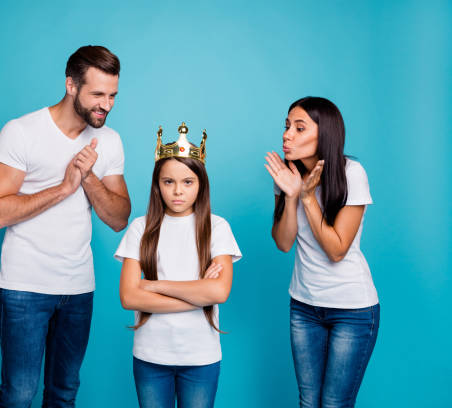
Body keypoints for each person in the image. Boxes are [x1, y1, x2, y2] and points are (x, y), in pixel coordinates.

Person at [0, 45, 131, 408]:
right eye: (97, 94)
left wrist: (88, 177)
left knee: (64, 394)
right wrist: (64, 187)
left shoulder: (108, 141)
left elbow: (118, 219)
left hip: (79, 288)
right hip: (25, 288)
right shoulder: (21, 131)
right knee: (19, 395)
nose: (106, 105)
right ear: (71, 85)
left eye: (112, 95)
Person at [115, 123, 241, 408]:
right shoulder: (140, 228)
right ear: (157, 185)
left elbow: (219, 293)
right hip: (150, 355)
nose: (177, 191)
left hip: (200, 356)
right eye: (168, 181)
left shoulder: (216, 227)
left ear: (201, 184)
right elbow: (129, 297)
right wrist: (198, 294)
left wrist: (154, 285)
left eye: (188, 182)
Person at [264, 97, 379, 408]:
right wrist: (290, 194)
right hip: (303, 307)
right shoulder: (287, 175)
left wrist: (308, 198)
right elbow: (284, 242)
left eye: (299, 128)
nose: (287, 135)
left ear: (325, 134)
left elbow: (337, 249)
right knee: (308, 402)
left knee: (333, 404)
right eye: (287, 126)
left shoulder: (351, 173)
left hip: (352, 311)